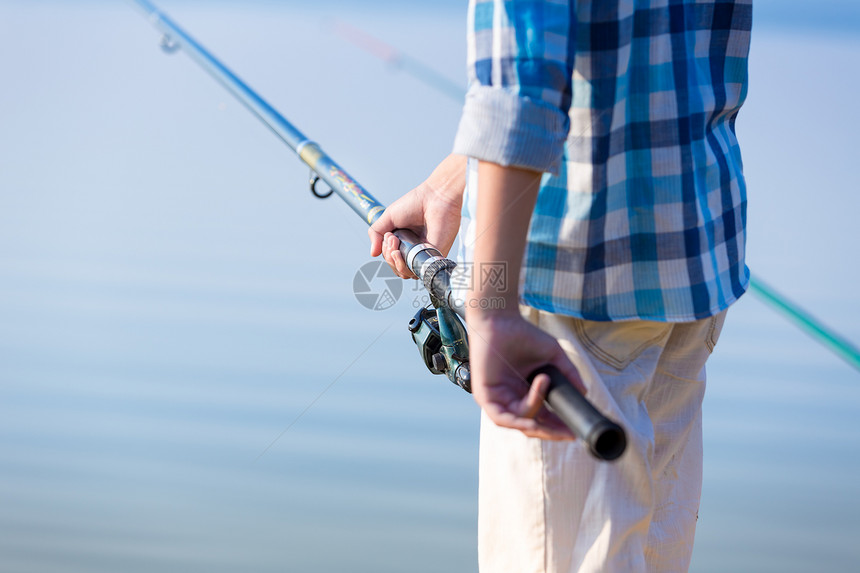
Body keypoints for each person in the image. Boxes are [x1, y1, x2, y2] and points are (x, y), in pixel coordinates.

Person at [368, 0, 751, 571]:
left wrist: (492, 309)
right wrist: (455, 181)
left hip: (567, 289)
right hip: (696, 263)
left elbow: (521, 77)